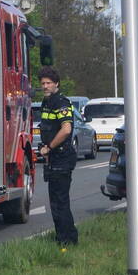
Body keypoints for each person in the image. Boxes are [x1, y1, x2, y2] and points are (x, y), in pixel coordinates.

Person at [38, 67, 79, 246]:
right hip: (54, 158)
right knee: (55, 202)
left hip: (62, 157)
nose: (45, 86)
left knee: (60, 202)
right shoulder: (46, 102)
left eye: (48, 83)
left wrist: (49, 147)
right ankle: (63, 237)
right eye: (43, 83)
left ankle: (67, 240)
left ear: (56, 84)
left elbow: (66, 129)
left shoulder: (61, 103)